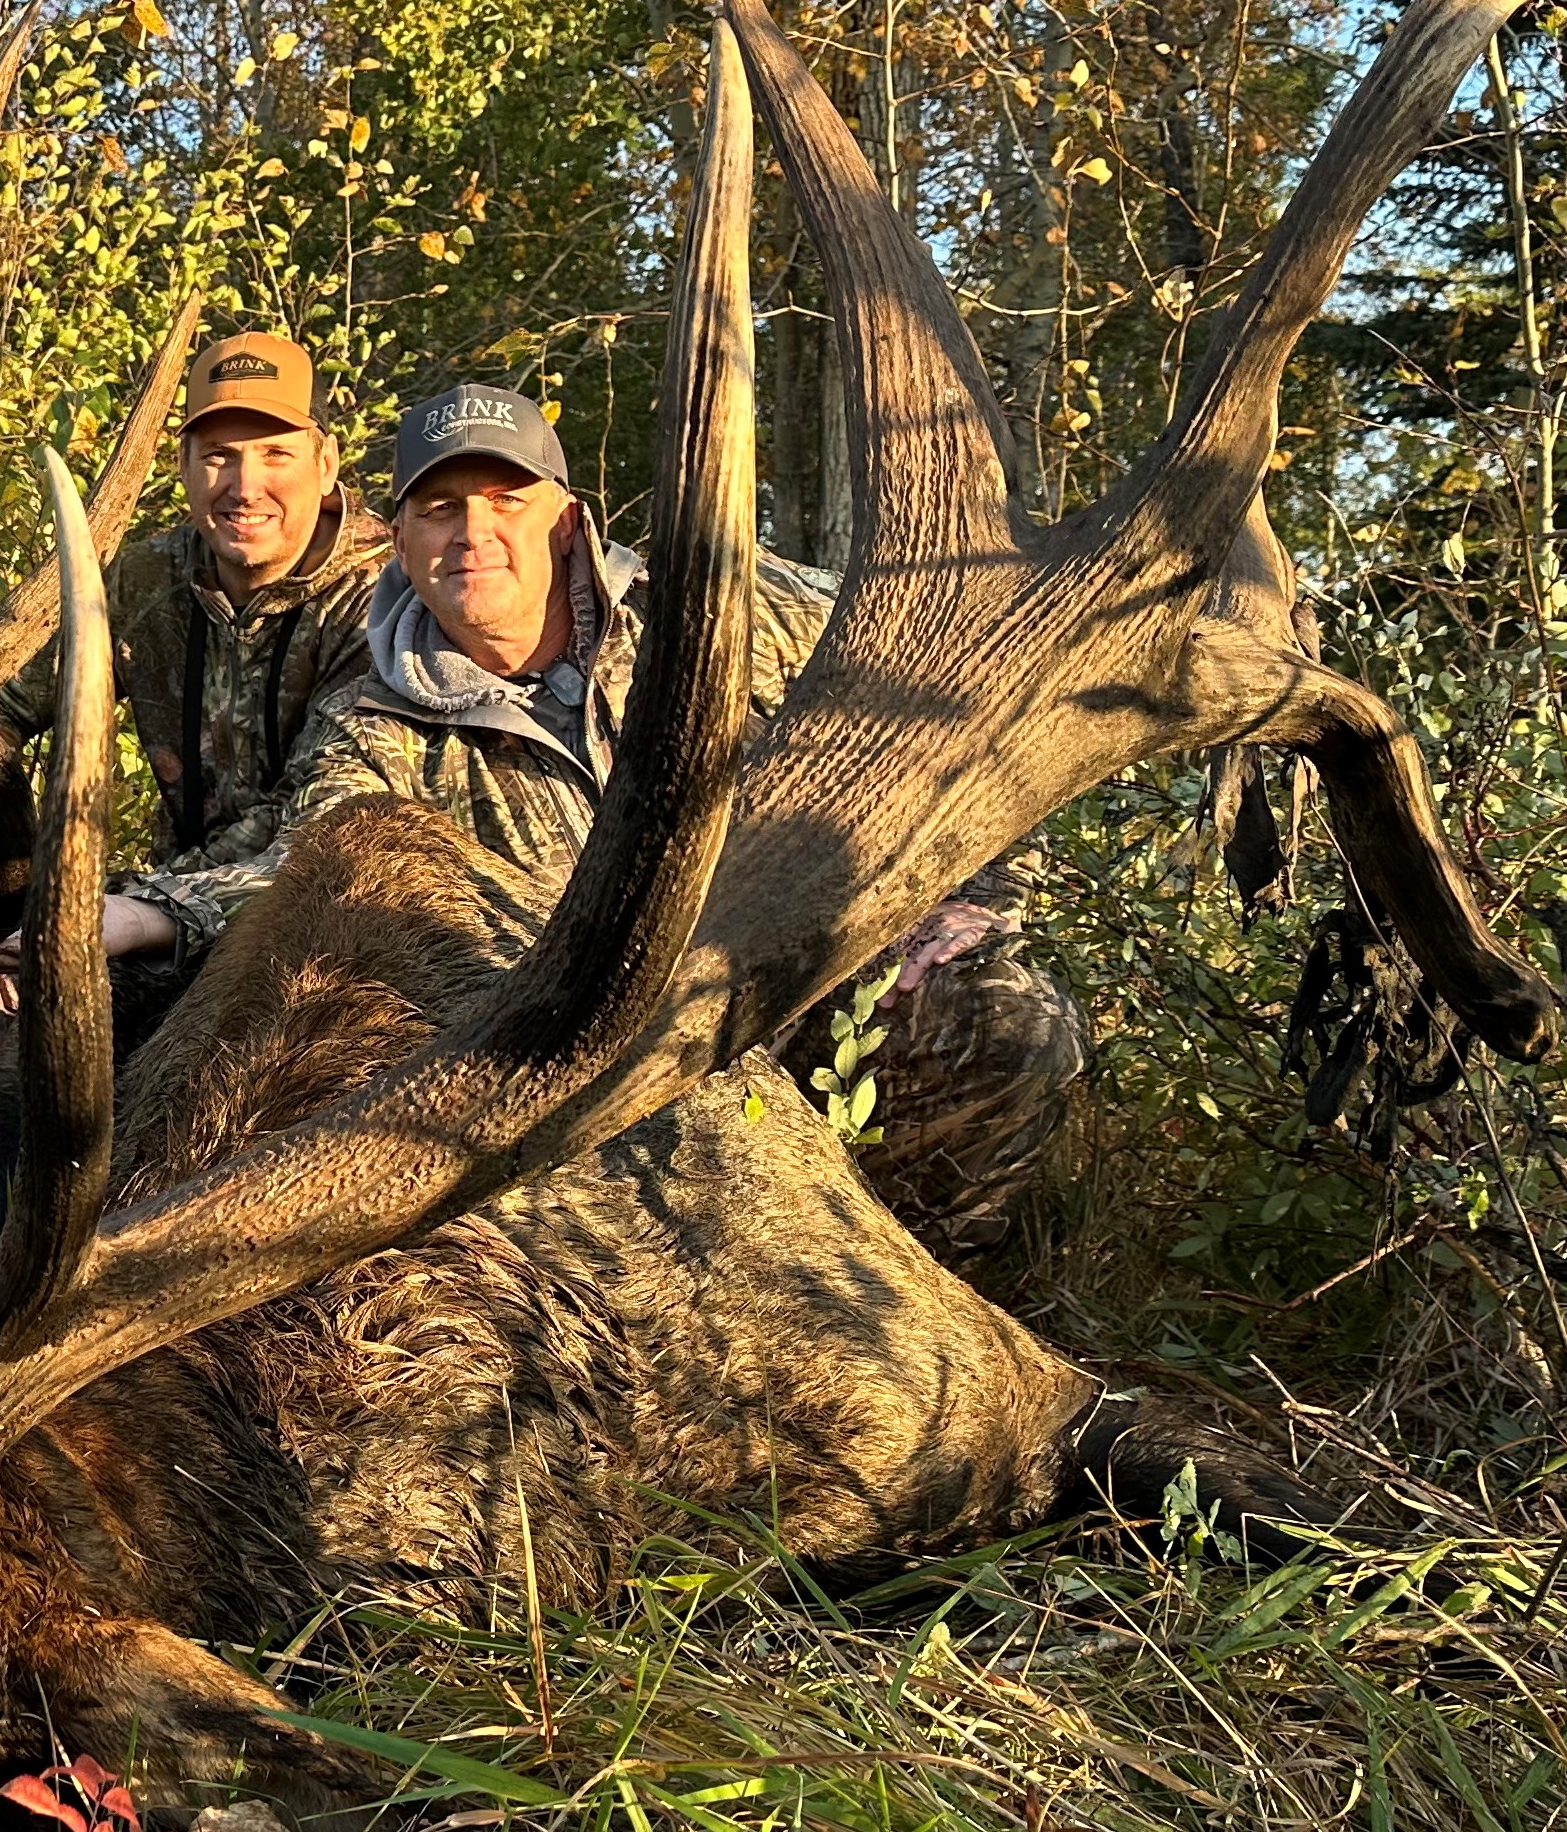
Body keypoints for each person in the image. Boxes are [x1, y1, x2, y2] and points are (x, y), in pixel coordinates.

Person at [175, 377, 1087, 1266]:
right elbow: (308, 859)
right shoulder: (377, 722)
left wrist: (978, 890)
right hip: (620, 1062)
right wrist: (150, 914)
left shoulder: (731, 608)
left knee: (1007, 1026)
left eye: (504, 501)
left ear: (568, 519)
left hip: (809, 984)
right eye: (441, 510)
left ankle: (935, 1299)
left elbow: (961, 693)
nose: (473, 534)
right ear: (403, 545)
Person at [0, 327, 388, 1293]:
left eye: (273, 453)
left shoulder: (383, 599)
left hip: (325, 928)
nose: (243, 484)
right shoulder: (138, 581)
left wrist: (137, 917)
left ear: (326, 460)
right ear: (183, 464)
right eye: (217, 454)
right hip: (157, 917)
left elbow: (328, 832)